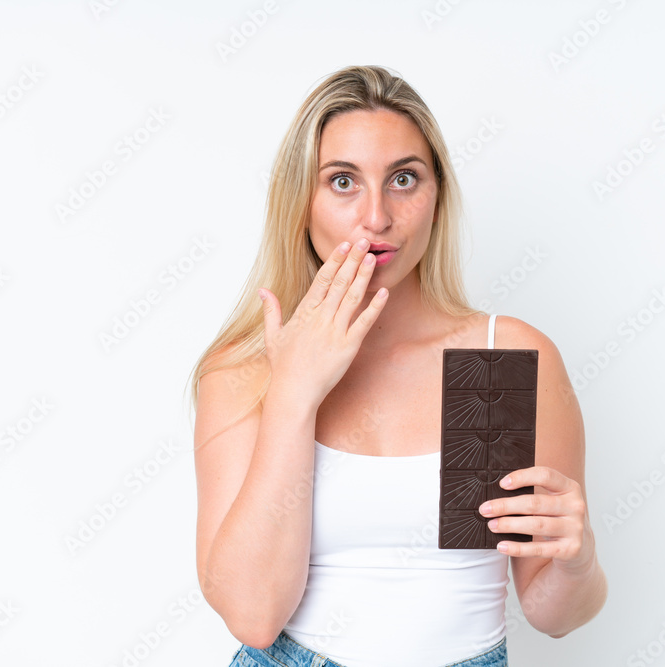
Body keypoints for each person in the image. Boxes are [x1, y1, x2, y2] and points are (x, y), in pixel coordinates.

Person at [188, 65, 607, 667]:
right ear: (298, 202)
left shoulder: (491, 361)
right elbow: (254, 617)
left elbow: (551, 614)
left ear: (438, 197)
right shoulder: (247, 370)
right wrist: (294, 392)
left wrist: (579, 558)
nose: (377, 217)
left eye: (404, 179)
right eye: (342, 182)